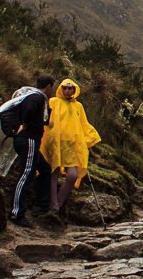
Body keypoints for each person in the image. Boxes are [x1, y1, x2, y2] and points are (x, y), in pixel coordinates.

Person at [42, 78, 101, 219]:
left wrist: (88, 138)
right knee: (53, 174)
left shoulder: (78, 106)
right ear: (61, 89)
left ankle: (59, 203)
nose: (67, 91)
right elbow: (47, 121)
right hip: (56, 144)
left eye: (70, 88)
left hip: (72, 147)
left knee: (73, 176)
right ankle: (54, 207)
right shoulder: (53, 102)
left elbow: (83, 124)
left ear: (75, 90)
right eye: (65, 88)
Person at [8, 75, 56, 228]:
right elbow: (29, 111)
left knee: (45, 169)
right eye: (52, 87)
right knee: (26, 175)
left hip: (28, 140)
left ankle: (41, 205)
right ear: (49, 86)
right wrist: (25, 125)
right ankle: (16, 213)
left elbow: (43, 119)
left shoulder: (30, 96)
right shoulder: (37, 97)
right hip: (29, 140)